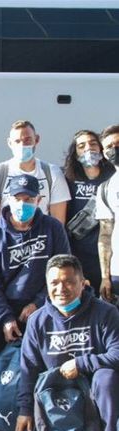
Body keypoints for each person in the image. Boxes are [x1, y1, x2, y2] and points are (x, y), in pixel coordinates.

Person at [0, 174, 71, 427]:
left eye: (29, 199)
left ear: (39, 200)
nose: (23, 204)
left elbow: (63, 269)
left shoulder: (53, 228)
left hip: (44, 302)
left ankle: (49, 402)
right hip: (2, 304)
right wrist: (5, 318)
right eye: (18, 198)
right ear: (8, 200)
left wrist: (38, 303)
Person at [15, 255, 119, 431]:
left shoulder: (106, 312)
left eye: (69, 282)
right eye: (54, 282)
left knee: (106, 377)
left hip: (95, 392)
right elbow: (28, 369)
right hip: (59, 395)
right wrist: (25, 410)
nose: (61, 289)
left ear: (83, 283)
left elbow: (117, 353)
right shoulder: (37, 320)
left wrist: (81, 363)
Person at [0, 120, 71, 228]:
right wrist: (5, 236)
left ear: (36, 140)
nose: (22, 145)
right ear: (10, 143)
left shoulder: (53, 173)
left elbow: (58, 221)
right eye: (17, 141)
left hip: (42, 236)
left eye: (27, 140)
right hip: (7, 236)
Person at [63, 130, 115, 294]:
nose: (88, 149)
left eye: (93, 144)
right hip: (79, 253)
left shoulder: (112, 177)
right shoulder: (68, 179)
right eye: (81, 146)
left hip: (109, 253)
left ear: (101, 149)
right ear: (75, 153)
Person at [96, 124, 119, 304]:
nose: (114, 149)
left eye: (118, 144)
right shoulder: (106, 188)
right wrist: (105, 276)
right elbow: (105, 235)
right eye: (109, 146)